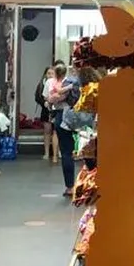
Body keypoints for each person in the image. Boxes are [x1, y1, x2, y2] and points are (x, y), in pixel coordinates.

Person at [46, 63, 81, 195]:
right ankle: (89, 182)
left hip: (62, 117)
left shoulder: (55, 83)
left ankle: (70, 186)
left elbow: (51, 99)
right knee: (84, 151)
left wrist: (53, 99)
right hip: (78, 116)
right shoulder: (75, 82)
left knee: (66, 152)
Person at [35, 65, 59, 162]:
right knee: (47, 131)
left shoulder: (58, 84)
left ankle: (56, 153)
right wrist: (44, 102)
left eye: (52, 73)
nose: (50, 75)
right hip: (46, 110)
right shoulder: (41, 84)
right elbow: (37, 97)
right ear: (45, 74)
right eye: (48, 73)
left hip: (56, 109)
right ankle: (46, 152)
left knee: (56, 131)